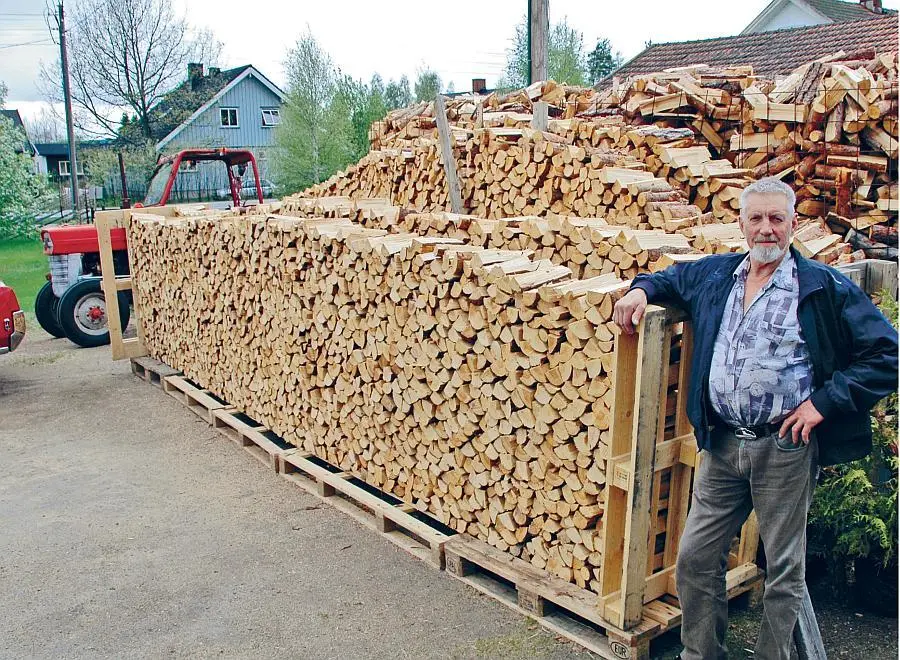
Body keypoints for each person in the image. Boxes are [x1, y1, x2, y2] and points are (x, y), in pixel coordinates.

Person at [612, 177, 898, 660]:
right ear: (742, 223)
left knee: (785, 573)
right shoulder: (717, 274)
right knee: (696, 559)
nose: (767, 229)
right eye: (757, 219)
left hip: (783, 449)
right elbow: (669, 277)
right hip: (723, 447)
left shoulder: (823, 287)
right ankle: (701, 654)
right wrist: (640, 290)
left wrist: (823, 404)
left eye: (777, 219)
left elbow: (887, 353)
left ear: (792, 224)